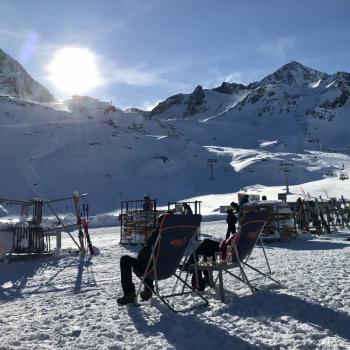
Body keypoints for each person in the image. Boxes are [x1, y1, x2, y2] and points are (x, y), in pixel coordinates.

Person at [117, 211, 172, 305]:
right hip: (167, 268)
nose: (157, 224)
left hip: (151, 267)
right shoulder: (175, 236)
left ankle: (130, 294)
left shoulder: (159, 234)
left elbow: (149, 249)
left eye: (159, 223)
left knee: (125, 260)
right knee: (152, 261)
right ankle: (147, 291)